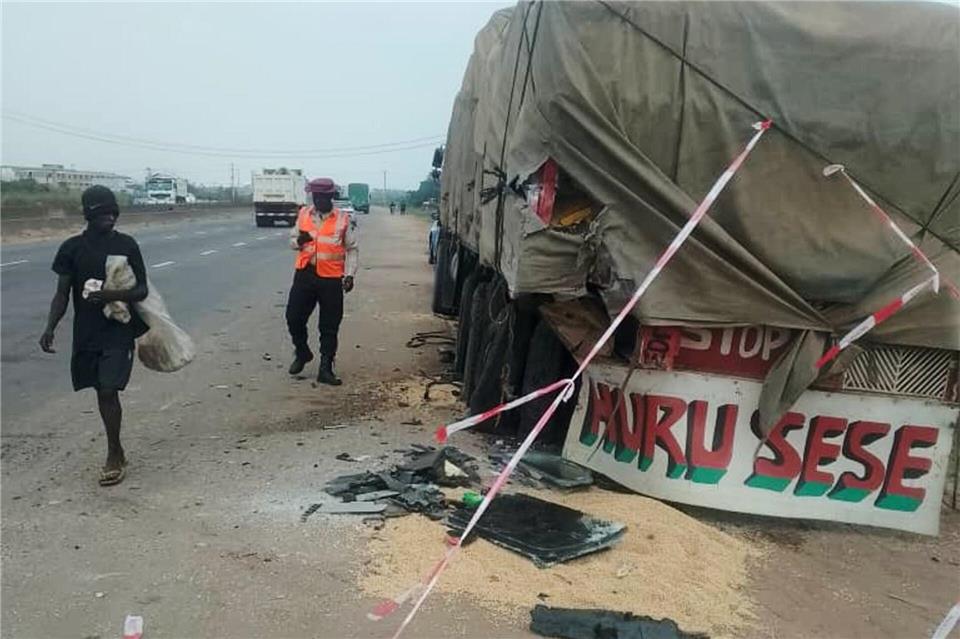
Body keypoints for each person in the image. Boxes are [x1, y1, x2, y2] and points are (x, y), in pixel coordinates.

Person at [40, 186, 149, 487]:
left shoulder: (127, 245)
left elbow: (142, 290)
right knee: (98, 387)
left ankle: (113, 453)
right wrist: (51, 326)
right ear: (89, 214)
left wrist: (110, 295)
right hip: (87, 332)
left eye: (114, 212)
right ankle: (118, 449)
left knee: (107, 389)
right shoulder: (71, 248)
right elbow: (62, 294)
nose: (110, 218)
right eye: (103, 213)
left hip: (118, 329)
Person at [286, 177, 359, 385]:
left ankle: (325, 367)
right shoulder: (303, 214)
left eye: (323, 197)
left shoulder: (343, 219)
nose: (318, 200)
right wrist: (299, 240)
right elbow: (291, 241)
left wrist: (350, 274)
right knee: (293, 317)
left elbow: (352, 249)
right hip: (305, 275)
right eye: (315, 196)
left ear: (331, 197)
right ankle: (302, 352)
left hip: (331, 278)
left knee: (329, 326)